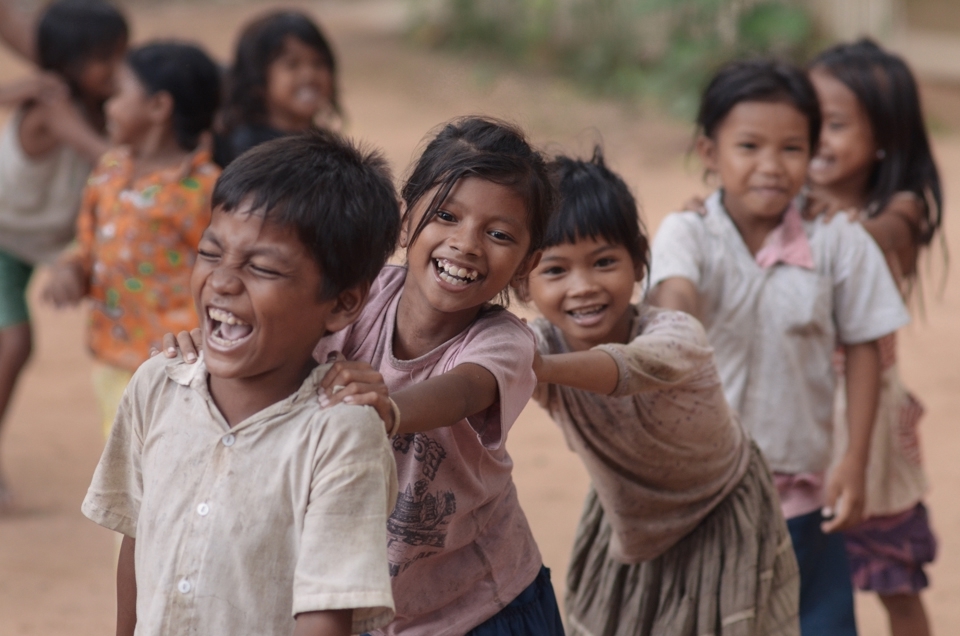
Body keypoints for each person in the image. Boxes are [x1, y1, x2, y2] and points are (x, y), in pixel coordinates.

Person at [172, 116, 564, 635]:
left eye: (497, 234)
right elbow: (281, 321)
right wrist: (217, 340)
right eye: (446, 216)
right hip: (360, 602)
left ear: (525, 264)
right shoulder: (360, 295)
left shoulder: (504, 341)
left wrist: (393, 408)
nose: (466, 244)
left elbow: (465, 389)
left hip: (481, 607)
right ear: (405, 223)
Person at [81, 130, 401, 636]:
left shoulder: (340, 435)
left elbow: (325, 616)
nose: (223, 281)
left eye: (262, 267)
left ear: (342, 303)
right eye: (211, 253)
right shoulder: (157, 386)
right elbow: (139, 543)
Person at [647, 60, 910, 635]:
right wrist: (678, 311)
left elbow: (866, 345)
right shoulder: (688, 233)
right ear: (709, 152)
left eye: (792, 148)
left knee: (818, 623)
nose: (771, 165)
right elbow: (675, 295)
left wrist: (855, 461)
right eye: (748, 146)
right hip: (704, 498)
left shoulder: (838, 241)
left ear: (812, 153)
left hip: (803, 499)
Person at [522, 149, 800, 635]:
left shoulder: (676, 338)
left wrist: (535, 368)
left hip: (721, 513)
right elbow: (474, 356)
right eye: (555, 270)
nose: (583, 286)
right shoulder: (533, 347)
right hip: (627, 522)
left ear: (640, 261)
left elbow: (630, 367)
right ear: (522, 284)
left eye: (604, 261)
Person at [807, 39, 943, 636]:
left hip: (867, 425)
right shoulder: (786, 204)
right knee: (798, 570)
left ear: (884, 136)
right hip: (799, 410)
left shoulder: (900, 210)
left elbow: (879, 234)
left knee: (894, 577)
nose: (815, 139)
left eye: (833, 125)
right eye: (806, 121)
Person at [42, 42, 221, 438]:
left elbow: (224, 270)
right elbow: (88, 241)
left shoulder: (202, 190)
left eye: (119, 92)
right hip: (111, 357)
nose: (108, 104)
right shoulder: (110, 170)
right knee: (122, 455)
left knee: (168, 463)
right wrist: (71, 267)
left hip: (180, 364)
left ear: (158, 107)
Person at [0, 0, 127, 510]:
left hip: (46, 240)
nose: (118, 71)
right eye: (105, 60)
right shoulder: (54, 106)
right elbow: (107, 160)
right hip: (4, 238)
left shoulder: (100, 101)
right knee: (14, 342)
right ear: (68, 64)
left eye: (122, 56)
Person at [214, 10, 340, 167]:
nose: (309, 75)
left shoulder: (328, 146)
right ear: (257, 78)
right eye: (292, 65)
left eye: (318, 63)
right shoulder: (247, 150)